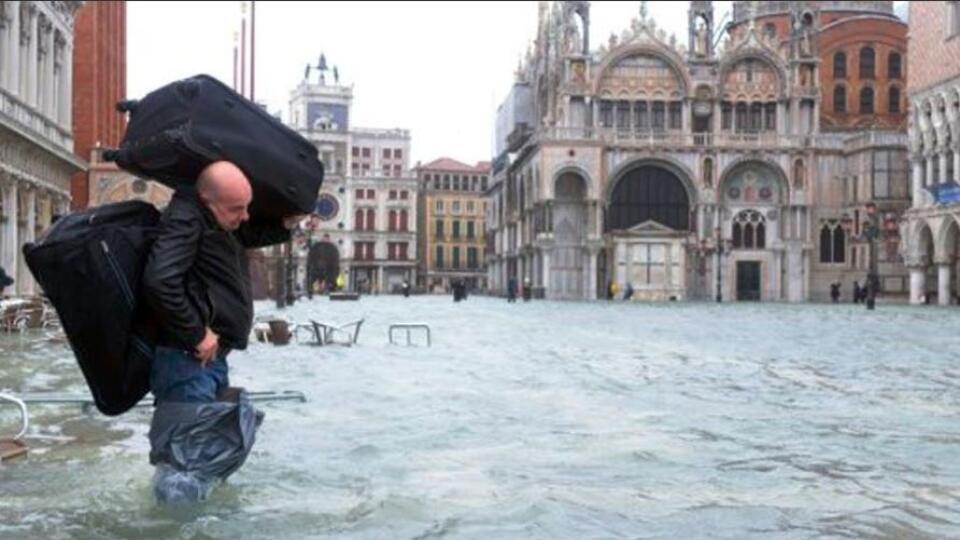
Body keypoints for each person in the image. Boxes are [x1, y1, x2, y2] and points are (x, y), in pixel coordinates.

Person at [142, 161, 301, 499]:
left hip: (204, 362)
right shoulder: (185, 219)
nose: (244, 216)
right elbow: (160, 280)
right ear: (206, 199)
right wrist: (196, 332)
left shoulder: (209, 219)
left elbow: (246, 232)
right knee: (185, 470)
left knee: (194, 464)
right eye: (237, 208)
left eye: (246, 207)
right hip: (188, 360)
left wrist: (285, 224)